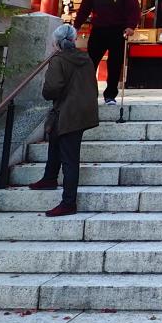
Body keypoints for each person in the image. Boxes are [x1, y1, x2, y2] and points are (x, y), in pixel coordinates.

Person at [31, 23, 99, 217]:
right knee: (55, 139)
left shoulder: (59, 60)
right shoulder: (85, 58)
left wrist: (46, 93)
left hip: (68, 111)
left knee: (69, 157)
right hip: (83, 109)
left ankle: (69, 202)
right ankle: (50, 177)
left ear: (57, 43)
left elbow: (52, 87)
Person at [73, 0, 140, 103]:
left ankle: (110, 95)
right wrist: (75, 27)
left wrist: (131, 25)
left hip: (118, 30)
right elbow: (84, 10)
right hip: (98, 30)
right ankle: (88, 94)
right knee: (90, 63)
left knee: (115, 64)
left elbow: (134, 9)